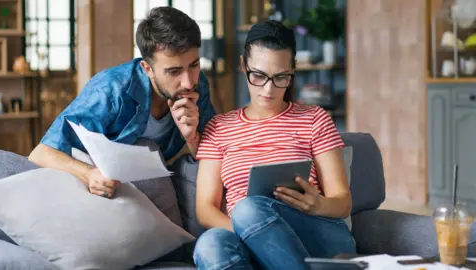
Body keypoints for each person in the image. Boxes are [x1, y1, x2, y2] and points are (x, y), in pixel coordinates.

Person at [193, 20, 356, 270]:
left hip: (317, 234)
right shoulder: (219, 127)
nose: (268, 90)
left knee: (247, 210)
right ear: (242, 65)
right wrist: (250, 232)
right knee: (210, 244)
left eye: (281, 77)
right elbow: (205, 210)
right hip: (248, 238)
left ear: (292, 71)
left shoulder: (314, 118)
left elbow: (342, 201)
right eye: (258, 75)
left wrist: (319, 205)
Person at [28, 6, 216, 199]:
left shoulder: (197, 84)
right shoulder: (111, 89)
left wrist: (192, 138)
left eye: (194, 65)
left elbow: (214, 154)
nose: (188, 82)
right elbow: (41, 153)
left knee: (202, 172)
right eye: (174, 71)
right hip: (102, 181)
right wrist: (89, 174)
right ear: (147, 68)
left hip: (155, 176)